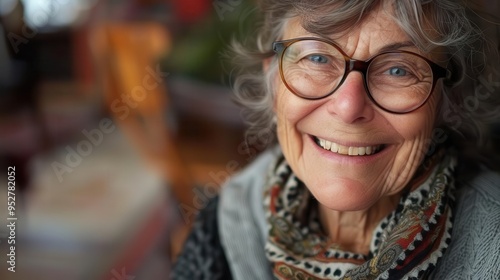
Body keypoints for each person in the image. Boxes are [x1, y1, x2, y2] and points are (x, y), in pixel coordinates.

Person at [172, 0, 500, 279]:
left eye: (399, 70)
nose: (348, 107)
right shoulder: (228, 220)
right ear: (272, 81)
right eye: (317, 58)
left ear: (447, 101)